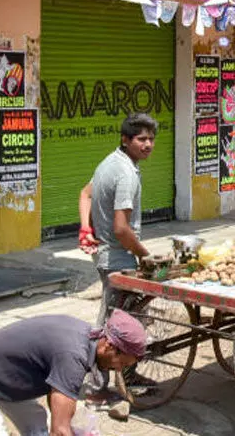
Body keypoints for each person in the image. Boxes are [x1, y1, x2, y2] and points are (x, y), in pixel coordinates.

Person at [0, 310, 145, 436]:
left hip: (1, 379)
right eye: (121, 363)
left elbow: (58, 395)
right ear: (110, 346)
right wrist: (64, 427)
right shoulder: (73, 356)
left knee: (37, 429)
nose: (118, 369)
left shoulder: (85, 336)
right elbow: (59, 431)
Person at [79, 113, 157, 327]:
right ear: (125, 139)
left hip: (105, 256)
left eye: (151, 139)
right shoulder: (126, 174)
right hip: (117, 259)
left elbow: (85, 194)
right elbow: (121, 229)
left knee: (115, 320)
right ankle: (94, 359)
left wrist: (86, 229)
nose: (148, 144)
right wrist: (145, 255)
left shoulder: (110, 162)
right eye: (141, 139)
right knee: (112, 326)